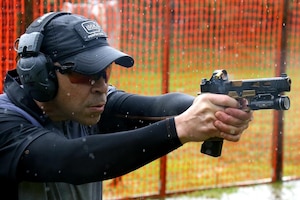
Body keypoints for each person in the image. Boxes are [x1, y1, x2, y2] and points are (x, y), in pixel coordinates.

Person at [0, 12, 252, 200]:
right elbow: (72, 160)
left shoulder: (84, 104)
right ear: (41, 76)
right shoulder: (5, 123)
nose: (100, 86)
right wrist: (181, 128)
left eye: (104, 72)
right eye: (85, 74)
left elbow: (157, 106)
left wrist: (209, 107)